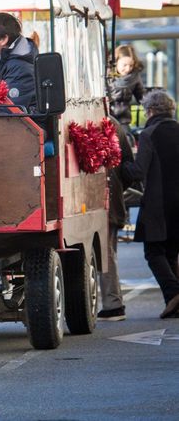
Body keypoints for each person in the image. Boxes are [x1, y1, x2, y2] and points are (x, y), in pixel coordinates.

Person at [122, 90, 179, 319]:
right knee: (171, 253)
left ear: (151, 111)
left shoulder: (149, 134)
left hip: (159, 203)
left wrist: (121, 165)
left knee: (153, 252)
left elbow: (138, 171)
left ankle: (174, 292)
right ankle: (173, 304)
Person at [98, 117, 134, 321]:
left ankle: (113, 304)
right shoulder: (113, 123)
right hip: (111, 196)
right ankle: (113, 302)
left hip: (102, 200)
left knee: (105, 253)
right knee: (107, 252)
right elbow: (128, 166)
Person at [109, 44, 145, 132]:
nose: (128, 69)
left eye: (131, 65)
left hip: (123, 119)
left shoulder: (134, 77)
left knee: (125, 138)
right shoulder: (106, 76)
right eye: (124, 65)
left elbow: (142, 96)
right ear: (116, 62)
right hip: (107, 117)